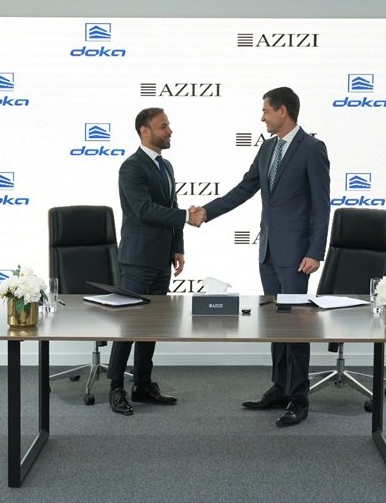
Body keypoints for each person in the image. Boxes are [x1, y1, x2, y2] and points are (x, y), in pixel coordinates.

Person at [192, 87, 330, 426]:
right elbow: (245, 188)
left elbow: (321, 204)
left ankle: (299, 397)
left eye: (266, 111)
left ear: (283, 111)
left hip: (297, 255)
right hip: (267, 250)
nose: (262, 117)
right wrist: (207, 211)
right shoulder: (268, 148)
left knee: (295, 327)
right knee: (277, 324)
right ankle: (280, 387)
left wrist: (315, 251)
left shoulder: (312, 149)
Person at [109, 107, 196, 416]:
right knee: (129, 327)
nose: (169, 131)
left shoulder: (166, 166)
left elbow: (171, 204)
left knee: (151, 326)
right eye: (163, 126)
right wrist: (186, 216)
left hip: (161, 259)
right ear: (144, 131)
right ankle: (116, 387)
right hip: (137, 260)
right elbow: (144, 210)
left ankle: (143, 384)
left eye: (168, 125)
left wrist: (177, 247)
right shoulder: (131, 167)